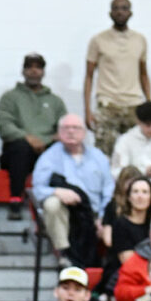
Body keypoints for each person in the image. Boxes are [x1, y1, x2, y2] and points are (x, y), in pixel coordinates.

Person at [31, 114, 114, 267]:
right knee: (52, 203)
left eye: (75, 128)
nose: (71, 132)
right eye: (66, 128)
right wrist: (57, 191)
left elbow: (109, 190)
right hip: (66, 215)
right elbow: (37, 190)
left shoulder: (98, 157)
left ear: (84, 133)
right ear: (58, 133)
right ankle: (64, 253)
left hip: (94, 214)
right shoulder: (48, 157)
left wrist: (104, 218)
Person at [0, 52, 67, 219]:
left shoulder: (55, 101)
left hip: (47, 149)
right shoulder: (9, 97)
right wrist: (27, 138)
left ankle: (59, 201)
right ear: (23, 71)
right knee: (20, 147)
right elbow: (4, 126)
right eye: (30, 67)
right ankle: (15, 201)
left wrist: (47, 140)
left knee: (62, 148)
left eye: (38, 67)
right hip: (18, 151)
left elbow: (65, 126)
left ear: (43, 71)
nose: (34, 71)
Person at [83, 0, 150, 157]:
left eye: (124, 8)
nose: (120, 12)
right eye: (116, 8)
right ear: (110, 13)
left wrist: (149, 104)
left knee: (136, 154)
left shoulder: (140, 40)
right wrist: (87, 110)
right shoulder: (98, 40)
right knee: (104, 155)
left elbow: (143, 74)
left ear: (130, 13)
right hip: (108, 104)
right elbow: (89, 76)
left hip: (134, 104)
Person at [109, 100, 151, 190]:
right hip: (135, 186)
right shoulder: (125, 141)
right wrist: (143, 172)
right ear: (138, 122)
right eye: (148, 125)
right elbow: (116, 172)